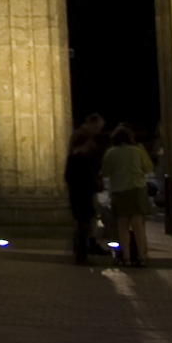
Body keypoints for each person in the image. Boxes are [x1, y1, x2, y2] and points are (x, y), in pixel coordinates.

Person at [100, 123, 153, 266]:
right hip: (137, 189)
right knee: (138, 225)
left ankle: (126, 258)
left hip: (119, 190)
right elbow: (148, 168)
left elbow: (105, 171)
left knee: (122, 226)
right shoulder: (137, 150)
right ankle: (142, 257)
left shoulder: (110, 152)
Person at [64, 114, 107, 265]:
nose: (97, 132)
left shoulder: (78, 156)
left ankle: (87, 247)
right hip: (82, 195)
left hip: (82, 194)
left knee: (85, 223)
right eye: (97, 128)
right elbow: (74, 177)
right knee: (83, 225)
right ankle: (81, 254)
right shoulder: (79, 156)